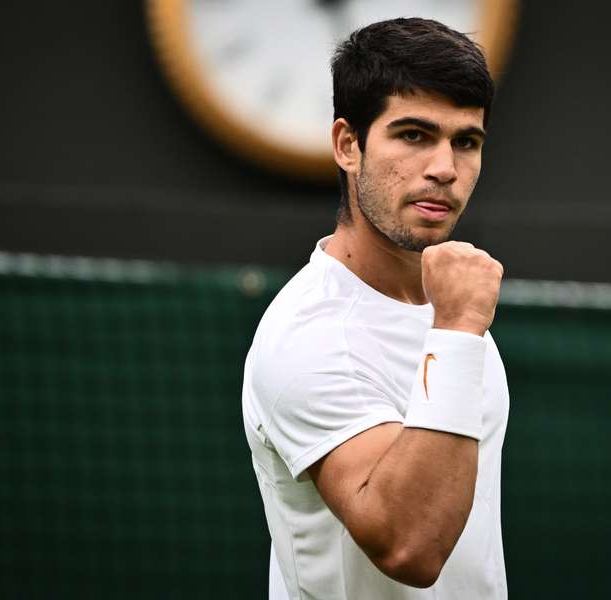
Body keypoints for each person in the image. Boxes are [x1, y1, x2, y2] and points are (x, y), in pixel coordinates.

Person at [242, 17, 509, 599]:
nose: (444, 168)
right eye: (413, 134)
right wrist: (460, 329)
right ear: (348, 145)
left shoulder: (445, 308)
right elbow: (410, 545)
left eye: (466, 141)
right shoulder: (309, 337)